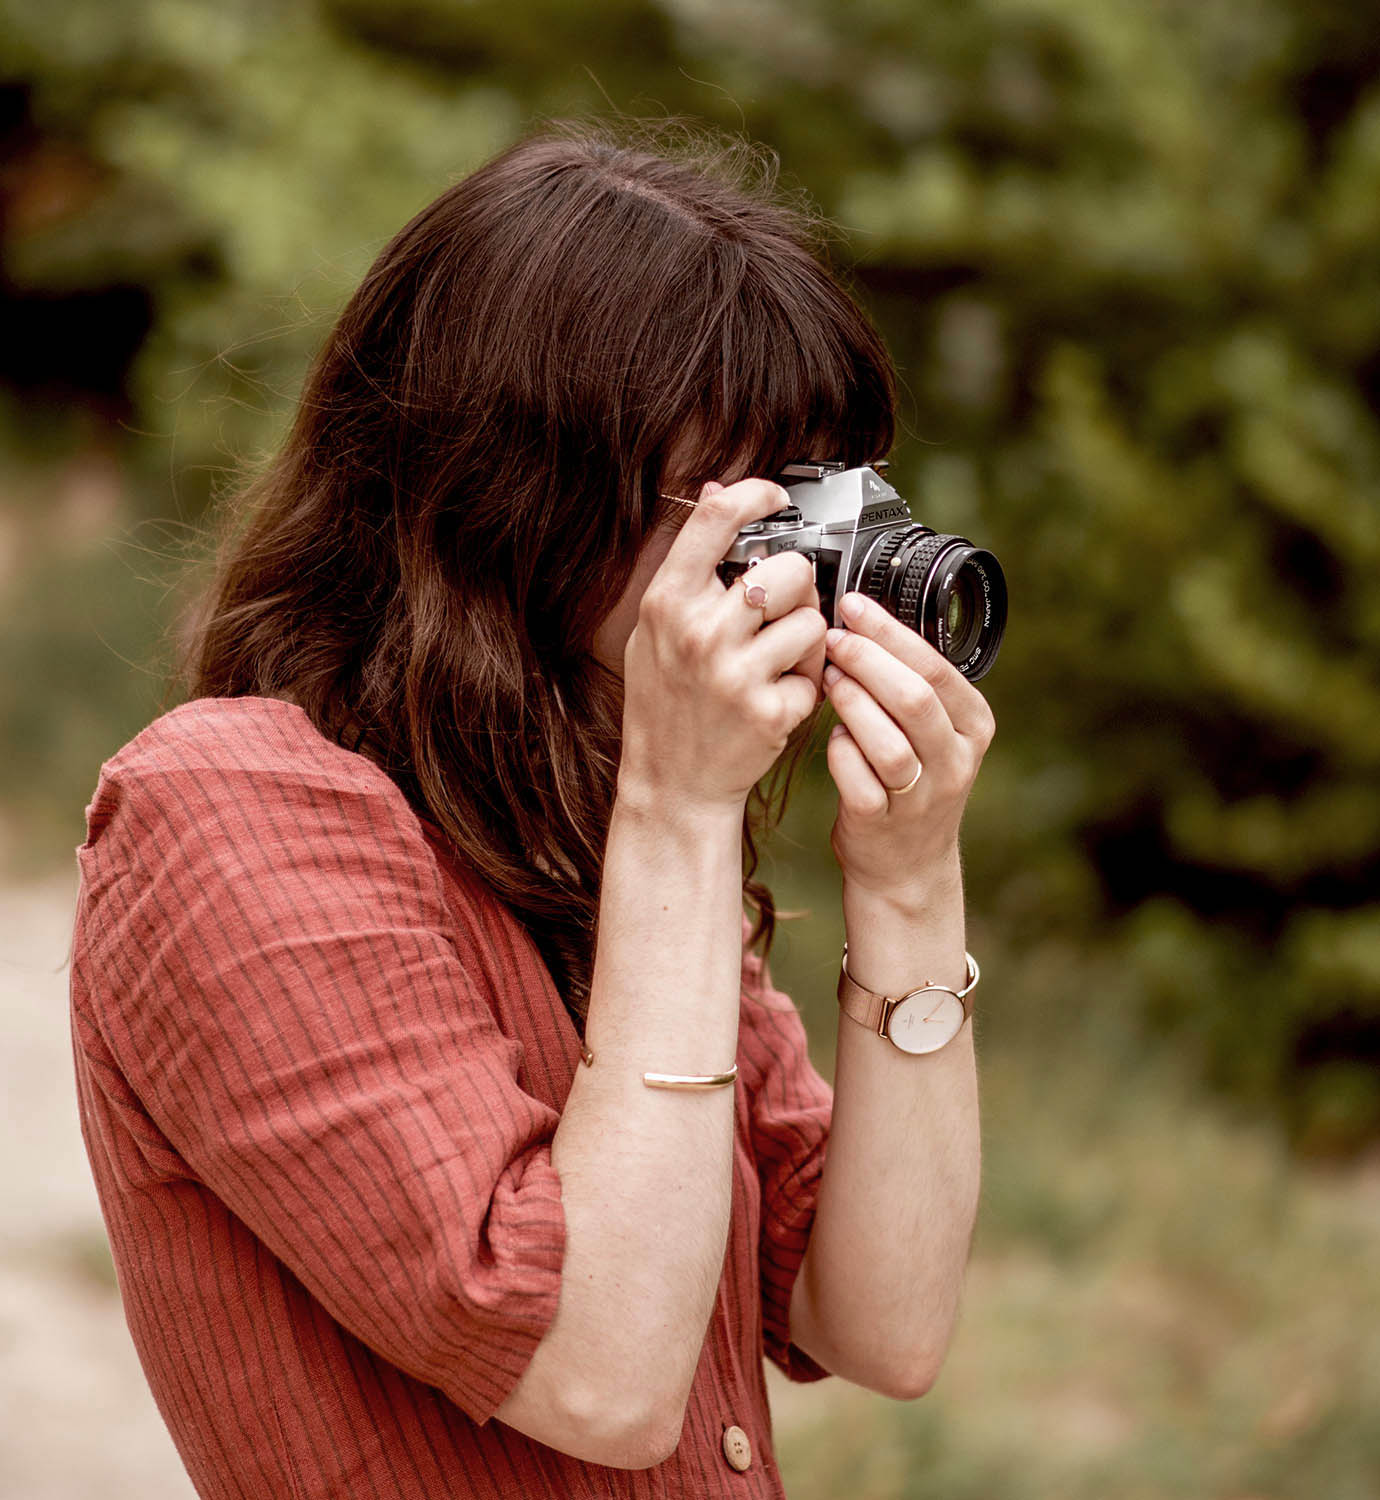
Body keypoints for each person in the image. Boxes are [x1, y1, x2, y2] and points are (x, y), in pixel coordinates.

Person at [69, 116, 993, 1499]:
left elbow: (881, 1320)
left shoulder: (575, 810)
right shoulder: (227, 812)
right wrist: (682, 819)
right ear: (516, 494)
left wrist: (912, 883)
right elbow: (602, 1375)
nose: (778, 571)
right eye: (734, 505)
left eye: (809, 502)